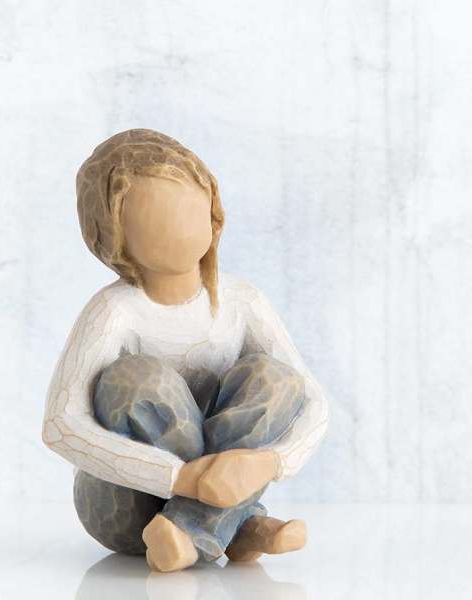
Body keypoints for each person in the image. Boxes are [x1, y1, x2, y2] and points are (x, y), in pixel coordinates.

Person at [43, 129, 328, 572]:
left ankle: (193, 531)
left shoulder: (242, 301)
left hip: (224, 488)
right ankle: (236, 524)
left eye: (192, 207)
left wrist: (271, 463)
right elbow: (60, 425)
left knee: (274, 379)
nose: (182, 225)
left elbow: (312, 401)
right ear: (114, 236)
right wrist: (180, 477)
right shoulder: (114, 311)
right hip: (124, 503)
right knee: (136, 379)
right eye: (156, 217)